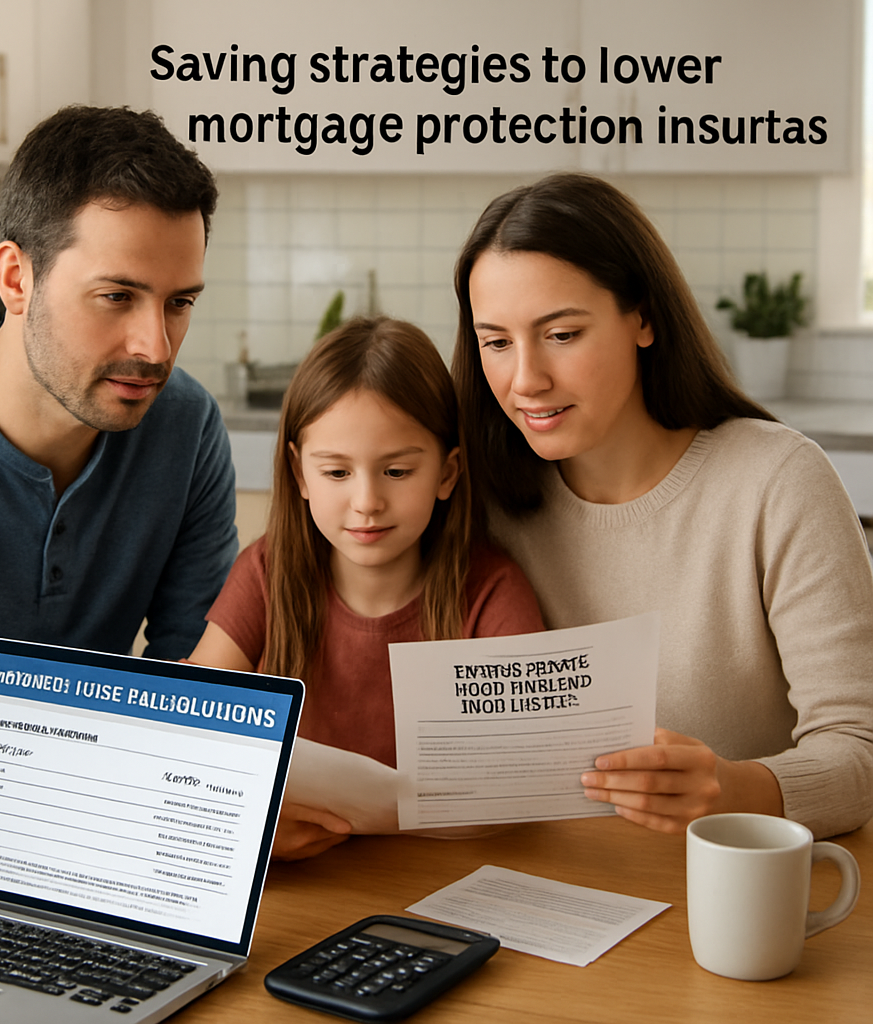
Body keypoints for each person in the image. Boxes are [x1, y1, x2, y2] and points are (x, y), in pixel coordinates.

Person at [0, 106, 238, 854]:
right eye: (117, 296)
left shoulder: (185, 427)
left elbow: (196, 685)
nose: (155, 347)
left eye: (179, 302)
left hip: (99, 851)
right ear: (15, 276)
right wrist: (96, 802)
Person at [451, 172, 873, 841]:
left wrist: (736, 790)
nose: (525, 379)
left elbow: (860, 755)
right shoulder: (480, 499)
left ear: (642, 318)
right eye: (496, 342)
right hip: (541, 886)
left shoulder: (779, 482)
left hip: (724, 903)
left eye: (561, 334)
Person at [190, 316, 544, 858]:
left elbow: (529, 775)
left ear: (447, 473)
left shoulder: (492, 591)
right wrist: (249, 824)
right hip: (306, 874)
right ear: (299, 474)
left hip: (451, 874)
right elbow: (186, 716)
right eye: (336, 473)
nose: (367, 502)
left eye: (397, 472)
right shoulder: (266, 571)